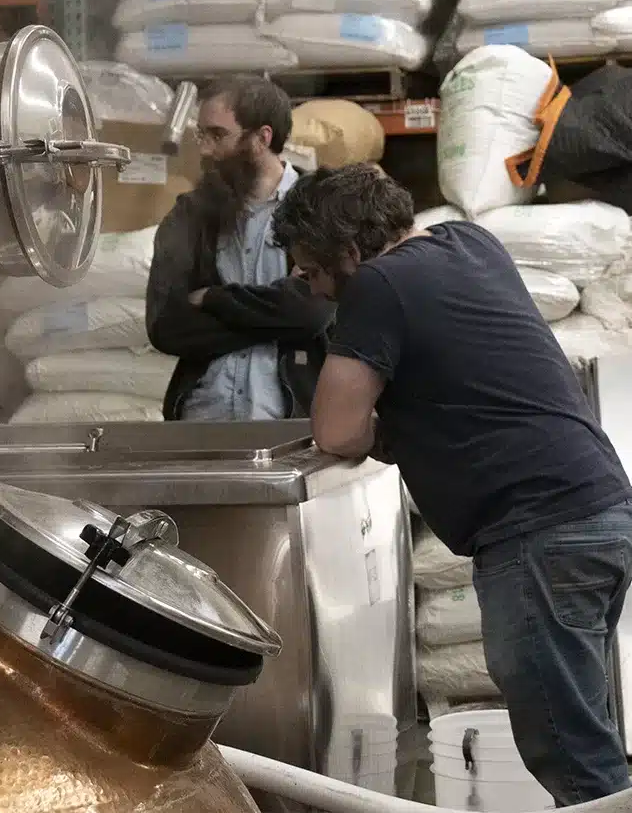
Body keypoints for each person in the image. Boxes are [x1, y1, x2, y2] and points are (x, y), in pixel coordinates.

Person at [271, 161, 632, 807]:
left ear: (351, 251)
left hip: (538, 534)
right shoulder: (470, 243)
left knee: (576, 760)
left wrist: (385, 429)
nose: (308, 285)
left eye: (313, 271)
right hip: (600, 506)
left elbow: (334, 430)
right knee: (590, 738)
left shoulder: (377, 285)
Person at [145, 75, 334, 422]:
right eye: (201, 134)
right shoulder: (190, 215)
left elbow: (313, 314)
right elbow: (165, 326)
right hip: (201, 419)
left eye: (217, 135)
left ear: (262, 138)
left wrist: (214, 300)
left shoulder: (320, 205)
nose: (204, 149)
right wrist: (278, 309)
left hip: (292, 423)